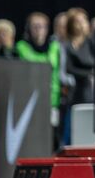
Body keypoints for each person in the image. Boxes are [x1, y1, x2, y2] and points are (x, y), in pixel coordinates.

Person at [15, 12, 63, 147]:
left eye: (42, 26)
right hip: (31, 98)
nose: (39, 30)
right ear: (28, 29)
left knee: (53, 137)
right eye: (35, 26)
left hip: (52, 100)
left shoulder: (55, 47)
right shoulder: (21, 47)